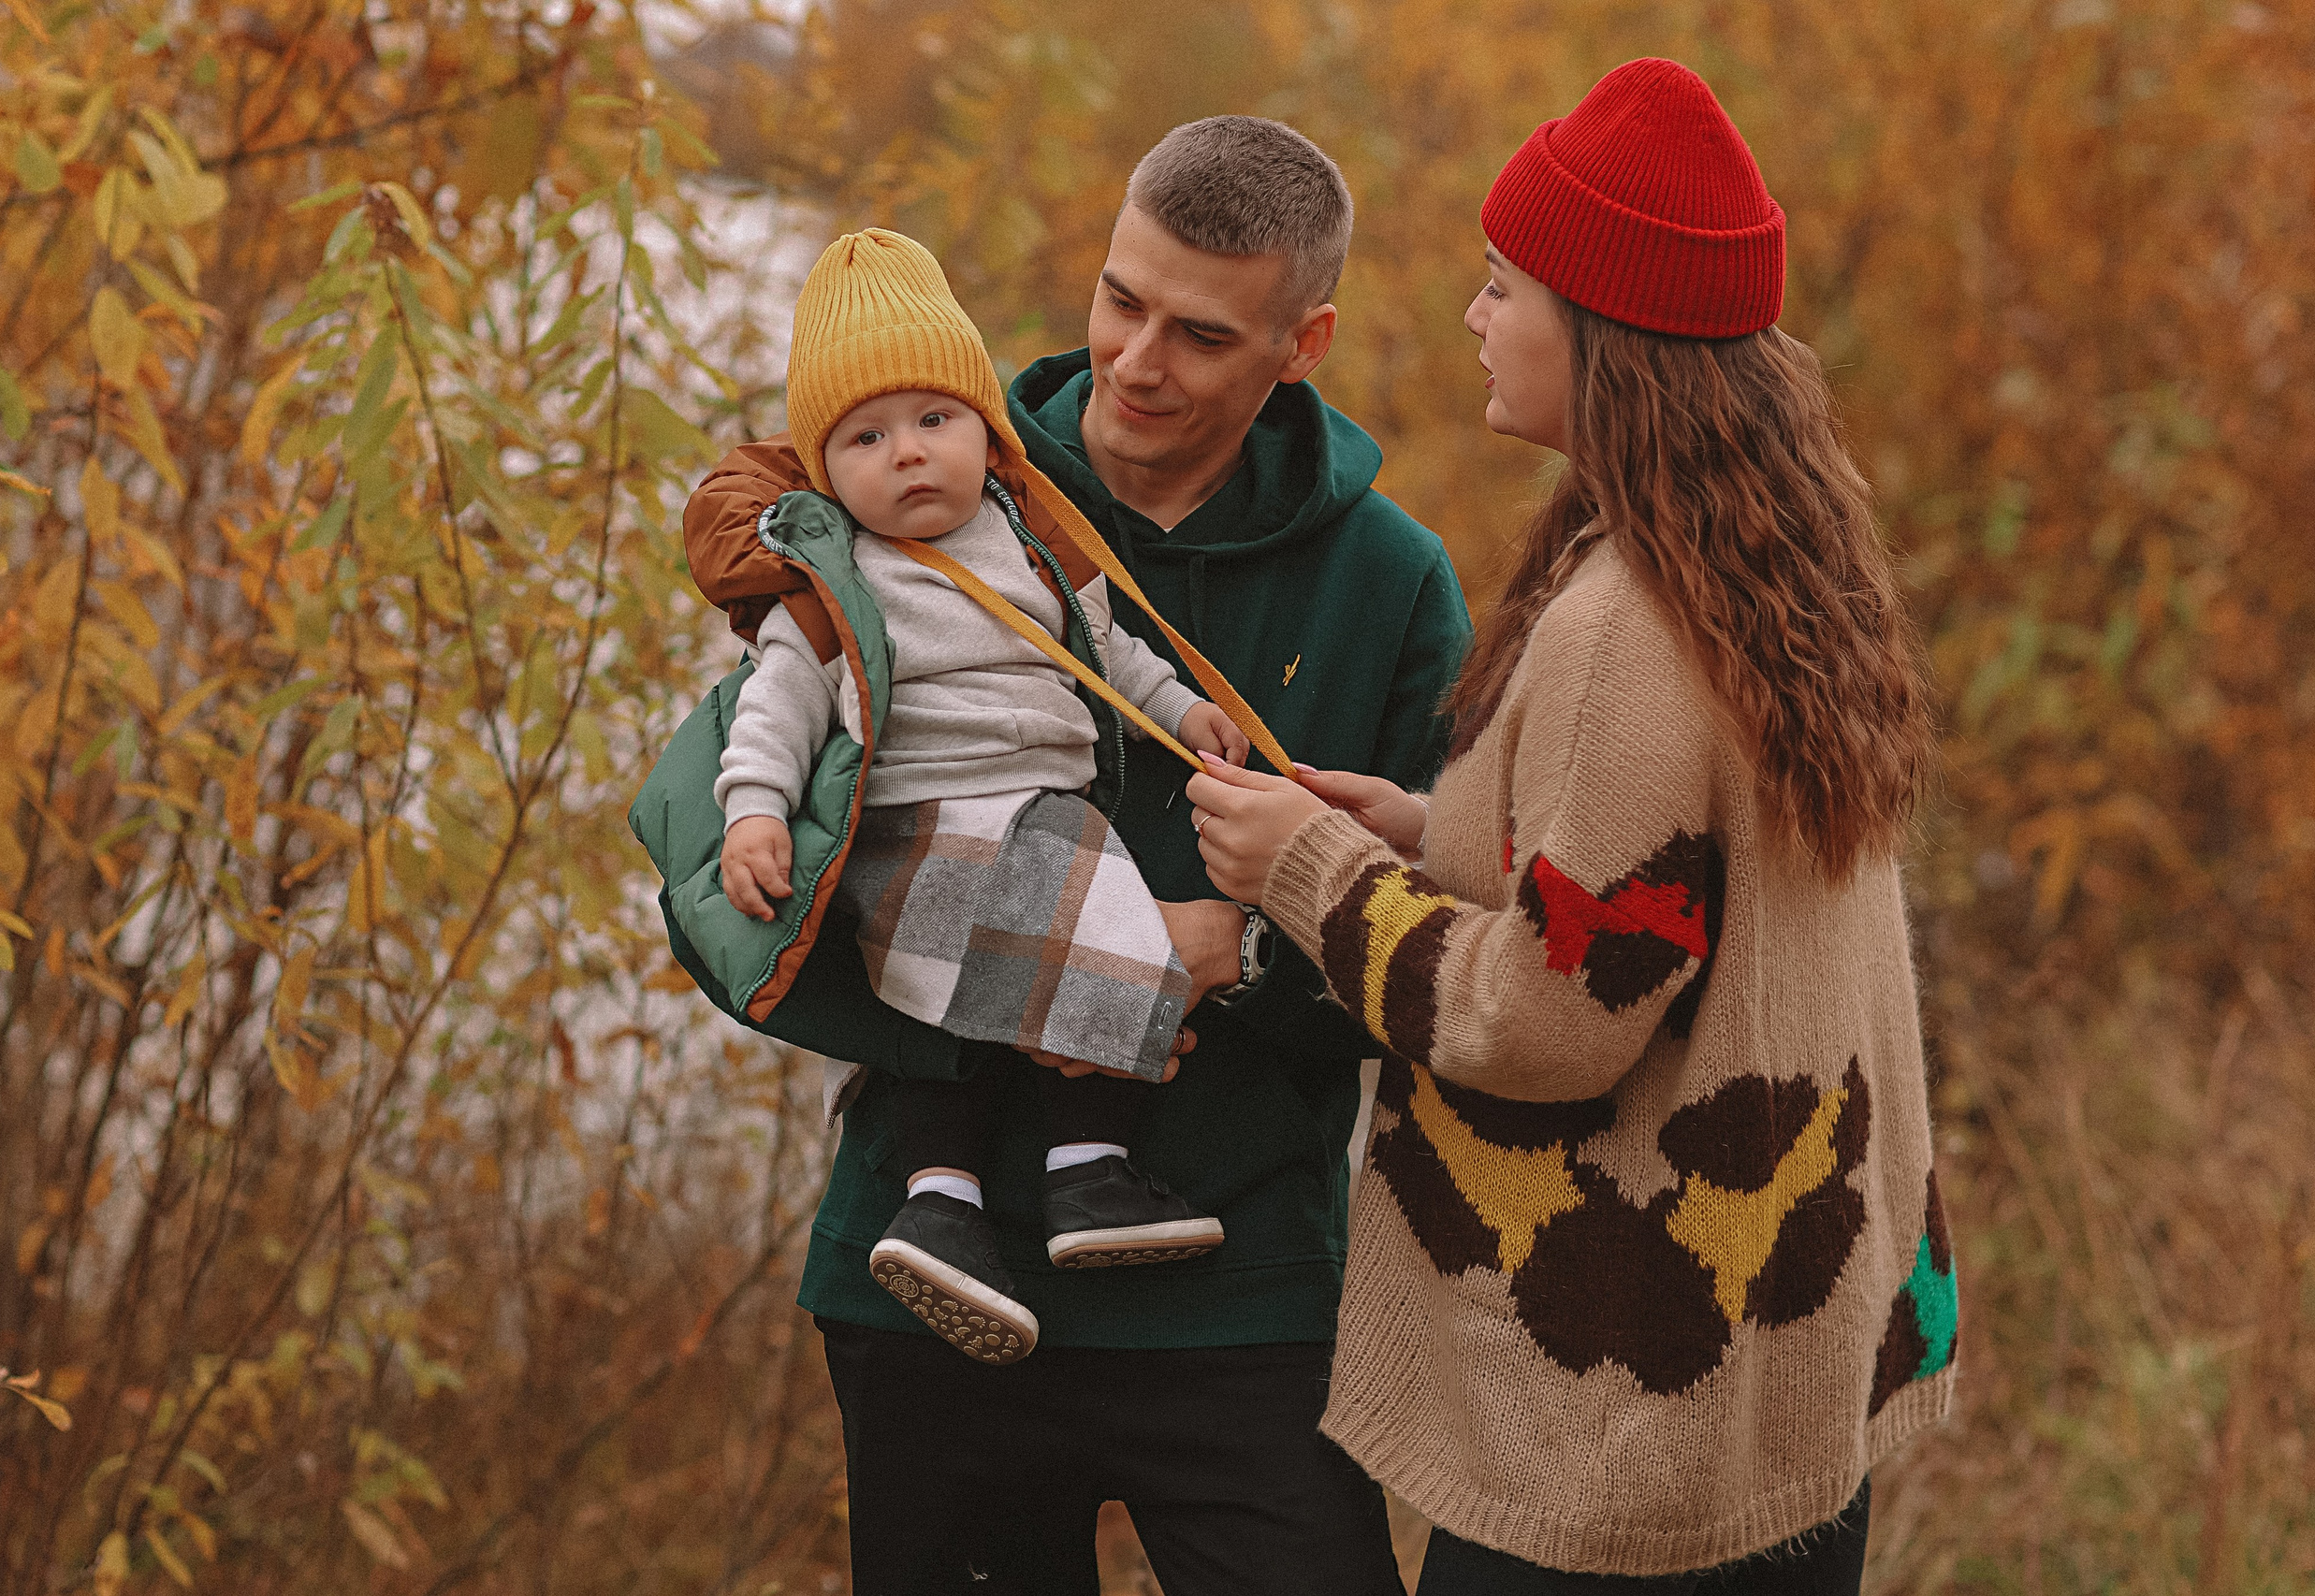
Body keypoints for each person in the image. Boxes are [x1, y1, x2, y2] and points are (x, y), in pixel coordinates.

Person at [667, 117, 1471, 1592]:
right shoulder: (912, 487)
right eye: (1120, 299)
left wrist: (1244, 951)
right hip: (930, 1285)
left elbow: (1452, 950)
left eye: (1200, 332)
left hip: (1241, 1288)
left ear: (1305, 342)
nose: (1134, 360)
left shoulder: (1388, 583)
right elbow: (731, 887)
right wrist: (981, 939)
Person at [1187, 60, 1956, 1593]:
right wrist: (1419, 829)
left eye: (1499, 287)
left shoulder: (1625, 624)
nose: (1475, 317)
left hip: (1626, 1434)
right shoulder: (1771, 567)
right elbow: (1672, 900)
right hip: (1775, 1405)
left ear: (1601, 331)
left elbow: (1558, 1015)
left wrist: (1311, 874)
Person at [714, 227, 1255, 1365]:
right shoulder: (831, 579)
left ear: (985, 433)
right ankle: (942, 1199)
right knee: (952, 1010)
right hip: (918, 822)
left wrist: (1185, 710)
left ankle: (1084, 1176)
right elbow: (777, 706)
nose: (907, 455)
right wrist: (754, 809)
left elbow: (1106, 648)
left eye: (934, 420)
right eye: (865, 437)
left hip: (1050, 807)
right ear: (824, 469)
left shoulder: (1032, 539)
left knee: (1096, 952)